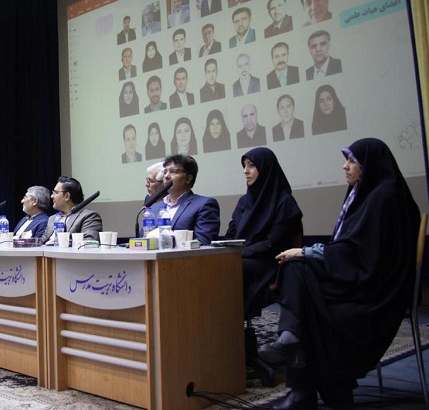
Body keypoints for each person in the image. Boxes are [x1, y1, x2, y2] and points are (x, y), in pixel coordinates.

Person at [258, 138, 419, 409]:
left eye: (352, 161)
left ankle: (304, 388)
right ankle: (298, 360)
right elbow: (348, 247)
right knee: (297, 273)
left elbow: (362, 252)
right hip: (355, 274)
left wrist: (305, 252)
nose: (345, 166)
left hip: (375, 288)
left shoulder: (384, 197)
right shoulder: (366, 192)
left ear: (370, 165)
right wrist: (306, 255)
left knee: (303, 287)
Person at [224, 147, 303, 320]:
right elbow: (231, 235)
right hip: (244, 257)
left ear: (266, 168)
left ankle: (230, 322)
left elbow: (273, 244)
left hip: (270, 262)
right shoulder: (244, 201)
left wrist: (239, 253)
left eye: (251, 165)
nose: (245, 171)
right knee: (215, 265)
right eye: (244, 165)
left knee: (230, 268)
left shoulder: (284, 202)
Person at [160, 154, 220, 246]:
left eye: (173, 171)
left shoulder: (204, 205)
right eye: (165, 172)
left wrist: (165, 243)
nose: (166, 176)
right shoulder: (154, 207)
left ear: (188, 178)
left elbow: (203, 243)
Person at [41, 176, 103, 242]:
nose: (51, 196)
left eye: (55, 193)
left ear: (67, 196)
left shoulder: (89, 217)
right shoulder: (52, 219)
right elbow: (41, 242)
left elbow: (89, 243)